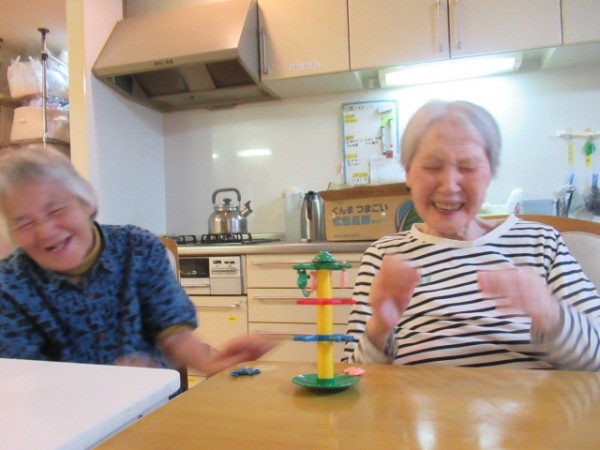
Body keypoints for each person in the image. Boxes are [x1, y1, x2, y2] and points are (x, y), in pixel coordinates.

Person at [342, 100, 600, 370]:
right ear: (407, 173)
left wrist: (550, 313)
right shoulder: (384, 257)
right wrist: (380, 328)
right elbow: (354, 374)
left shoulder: (541, 243)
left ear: (490, 173)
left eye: (468, 167)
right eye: (432, 166)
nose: (449, 185)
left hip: (534, 397)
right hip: (423, 398)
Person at [0, 145, 273, 376]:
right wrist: (108, 383)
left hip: (150, 403)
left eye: (57, 209)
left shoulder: (138, 248)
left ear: (85, 202)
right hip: (66, 414)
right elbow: (24, 374)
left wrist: (210, 363)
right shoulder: (8, 283)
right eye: (24, 223)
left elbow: (172, 332)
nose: (46, 231)